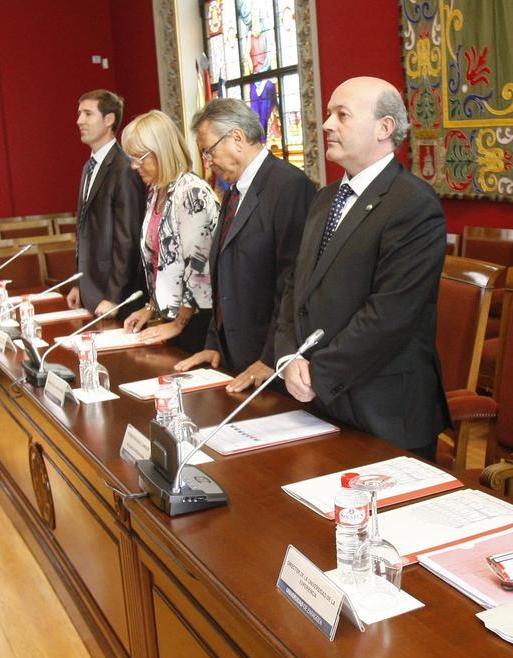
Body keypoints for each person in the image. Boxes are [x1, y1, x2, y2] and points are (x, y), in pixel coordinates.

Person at [274, 77, 449, 461]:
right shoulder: (323, 199)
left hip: (382, 411)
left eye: (342, 115)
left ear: (384, 128)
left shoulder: (413, 205)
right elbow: (295, 288)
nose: (326, 125)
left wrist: (318, 374)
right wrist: (288, 357)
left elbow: (391, 315)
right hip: (318, 402)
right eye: (328, 114)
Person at [173, 97, 315, 391]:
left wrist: (272, 357)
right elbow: (224, 277)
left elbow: (292, 282)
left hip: (269, 366)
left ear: (236, 137)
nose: (207, 162)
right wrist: (215, 343)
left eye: (208, 151)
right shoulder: (234, 190)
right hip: (233, 358)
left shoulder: (288, 185)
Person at [119, 110, 218, 352]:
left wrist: (178, 325)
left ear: (161, 150)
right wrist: (151, 307)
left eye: (139, 157)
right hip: (172, 318)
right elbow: (161, 262)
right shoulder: (156, 191)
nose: (134, 166)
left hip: (197, 321)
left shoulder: (191, 192)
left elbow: (199, 269)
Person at [68, 89, 147, 320]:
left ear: (109, 119)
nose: (79, 120)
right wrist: (78, 283)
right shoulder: (89, 166)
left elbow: (127, 240)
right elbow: (83, 231)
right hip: (91, 290)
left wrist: (114, 296)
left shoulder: (123, 169)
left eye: (87, 114)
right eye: (79, 114)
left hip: (114, 296)